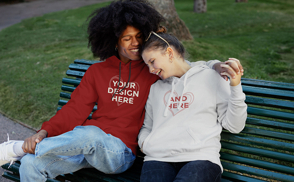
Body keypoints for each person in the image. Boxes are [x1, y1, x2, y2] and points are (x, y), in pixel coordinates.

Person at [0, 0, 243, 181]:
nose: (135, 43)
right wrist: (43, 132)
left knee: (90, 133)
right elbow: (75, 109)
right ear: (114, 40)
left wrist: (215, 65)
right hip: (84, 147)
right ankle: (27, 152)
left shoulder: (152, 71)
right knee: (30, 164)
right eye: (127, 38)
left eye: (139, 36)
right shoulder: (97, 72)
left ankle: (17, 149)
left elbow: (183, 67)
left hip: (118, 151)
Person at [138, 29, 247, 182]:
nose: (151, 69)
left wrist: (235, 86)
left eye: (152, 61)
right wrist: (145, 143)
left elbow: (235, 126)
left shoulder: (211, 77)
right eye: (147, 65)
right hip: (157, 158)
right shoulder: (156, 88)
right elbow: (147, 127)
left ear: (169, 53)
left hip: (200, 158)